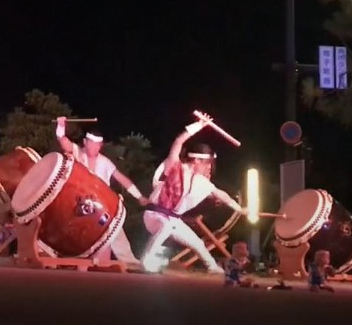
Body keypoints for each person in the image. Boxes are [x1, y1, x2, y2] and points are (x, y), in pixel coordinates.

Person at [142, 115, 247, 274]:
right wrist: (198, 125)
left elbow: (221, 194)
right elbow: (178, 142)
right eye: (207, 164)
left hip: (172, 219)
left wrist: (239, 208)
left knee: (196, 242)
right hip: (154, 215)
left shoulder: (200, 181)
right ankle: (147, 259)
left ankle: (212, 267)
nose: (208, 168)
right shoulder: (174, 166)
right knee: (165, 227)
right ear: (197, 161)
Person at [55, 117, 149, 266]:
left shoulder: (105, 162)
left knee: (114, 227)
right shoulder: (78, 153)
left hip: (102, 206)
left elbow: (121, 178)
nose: (94, 148)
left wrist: (139, 196)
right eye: (91, 144)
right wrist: (61, 126)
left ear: (100, 146)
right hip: (79, 205)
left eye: (97, 145)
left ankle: (130, 263)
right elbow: (64, 142)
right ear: (85, 142)